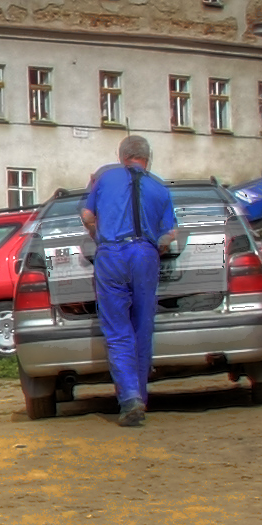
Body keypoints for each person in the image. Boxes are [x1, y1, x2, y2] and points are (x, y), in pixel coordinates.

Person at [81, 134, 176, 427]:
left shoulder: (105, 179)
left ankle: (129, 398)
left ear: (122, 156)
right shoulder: (160, 188)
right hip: (144, 255)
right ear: (147, 159)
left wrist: (99, 237)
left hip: (111, 255)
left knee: (118, 329)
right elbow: (170, 234)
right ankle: (141, 397)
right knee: (142, 326)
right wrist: (156, 245)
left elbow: (86, 216)